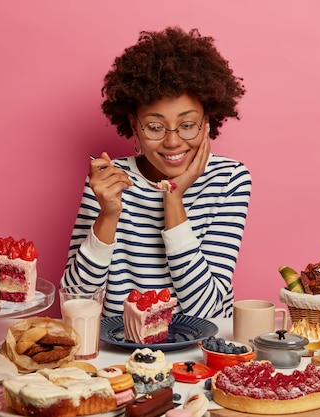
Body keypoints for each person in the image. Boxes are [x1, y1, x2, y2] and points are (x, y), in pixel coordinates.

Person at [62, 26, 251, 319]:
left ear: (208, 121)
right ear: (134, 124)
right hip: (120, 356)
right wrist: (108, 215)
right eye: (155, 127)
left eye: (188, 125)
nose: (173, 141)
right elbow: (75, 304)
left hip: (200, 356)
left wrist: (173, 200)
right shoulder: (108, 182)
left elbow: (206, 311)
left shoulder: (229, 179)